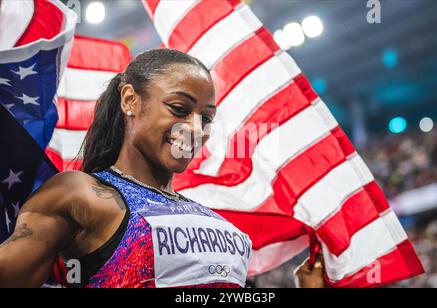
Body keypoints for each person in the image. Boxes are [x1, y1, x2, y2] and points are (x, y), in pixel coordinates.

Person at [0, 48, 324, 288]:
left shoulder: (211, 217)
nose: (196, 129)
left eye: (206, 118)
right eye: (179, 109)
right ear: (130, 100)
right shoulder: (80, 193)